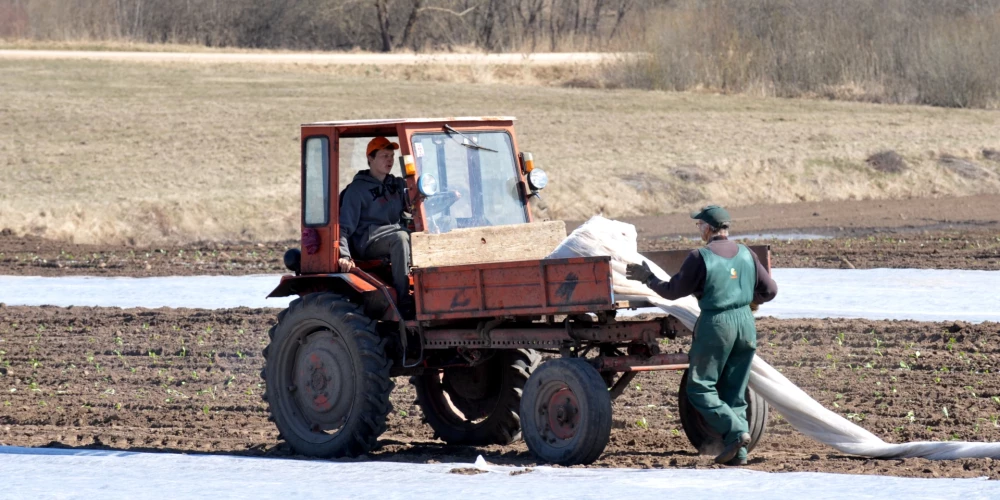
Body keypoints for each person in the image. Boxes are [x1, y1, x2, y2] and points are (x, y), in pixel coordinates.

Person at [626, 205, 778, 466]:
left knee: (699, 388)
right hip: (745, 323)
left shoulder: (700, 256)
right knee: (735, 391)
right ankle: (739, 452)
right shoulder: (747, 254)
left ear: (708, 228)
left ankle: (736, 431)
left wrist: (648, 278)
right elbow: (770, 291)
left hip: (717, 325)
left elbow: (672, 291)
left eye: (699, 226)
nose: (699, 230)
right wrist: (742, 299)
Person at [338, 136, 414, 316]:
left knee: (416, 235)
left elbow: (415, 203)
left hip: (395, 233)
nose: (389, 160)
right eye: (384, 155)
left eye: (392, 156)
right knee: (401, 238)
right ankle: (405, 302)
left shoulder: (397, 185)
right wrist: (344, 255)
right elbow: (344, 226)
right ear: (370, 159)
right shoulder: (356, 190)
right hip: (369, 241)